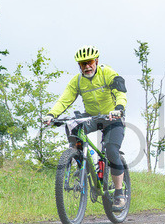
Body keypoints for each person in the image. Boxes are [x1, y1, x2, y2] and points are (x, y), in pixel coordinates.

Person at [42, 47, 129, 209]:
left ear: (96, 61)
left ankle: (119, 194)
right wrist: (51, 114)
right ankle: (80, 161)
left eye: (89, 63)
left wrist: (119, 108)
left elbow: (120, 93)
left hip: (112, 118)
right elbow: (64, 100)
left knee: (111, 151)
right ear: (79, 66)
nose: (87, 67)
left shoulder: (107, 73)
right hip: (92, 117)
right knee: (73, 126)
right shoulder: (77, 81)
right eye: (83, 64)